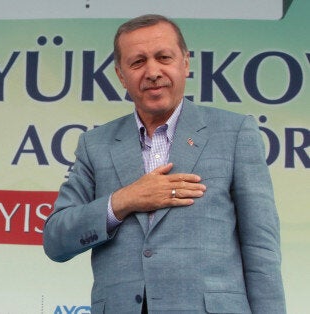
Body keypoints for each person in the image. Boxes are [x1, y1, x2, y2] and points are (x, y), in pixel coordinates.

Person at [43, 14, 285, 313]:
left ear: (186, 63)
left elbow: (261, 250)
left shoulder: (235, 133)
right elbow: (56, 240)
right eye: (138, 62)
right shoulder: (95, 145)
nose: (152, 71)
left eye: (163, 57)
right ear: (121, 75)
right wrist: (123, 201)